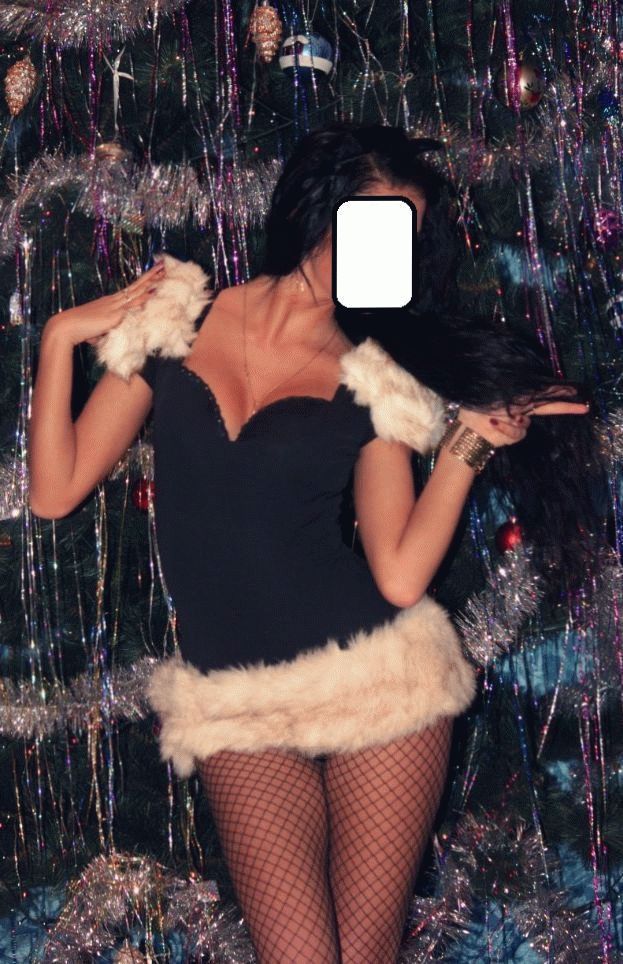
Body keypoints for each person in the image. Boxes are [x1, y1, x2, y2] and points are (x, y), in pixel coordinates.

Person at [28, 122, 593, 964]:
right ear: (319, 209)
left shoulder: (374, 375)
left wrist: (469, 444)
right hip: (235, 700)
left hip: (381, 685)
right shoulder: (177, 317)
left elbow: (399, 574)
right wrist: (58, 338)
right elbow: (53, 492)